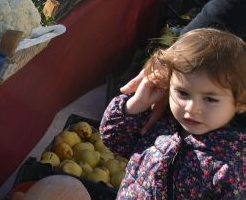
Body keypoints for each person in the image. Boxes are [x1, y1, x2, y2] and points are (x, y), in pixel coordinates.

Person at [100, 28, 245, 199]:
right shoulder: (160, 124)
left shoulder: (233, 164)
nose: (191, 108)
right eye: (183, 93)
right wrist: (138, 104)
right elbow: (115, 140)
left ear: (240, 103)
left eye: (210, 99)